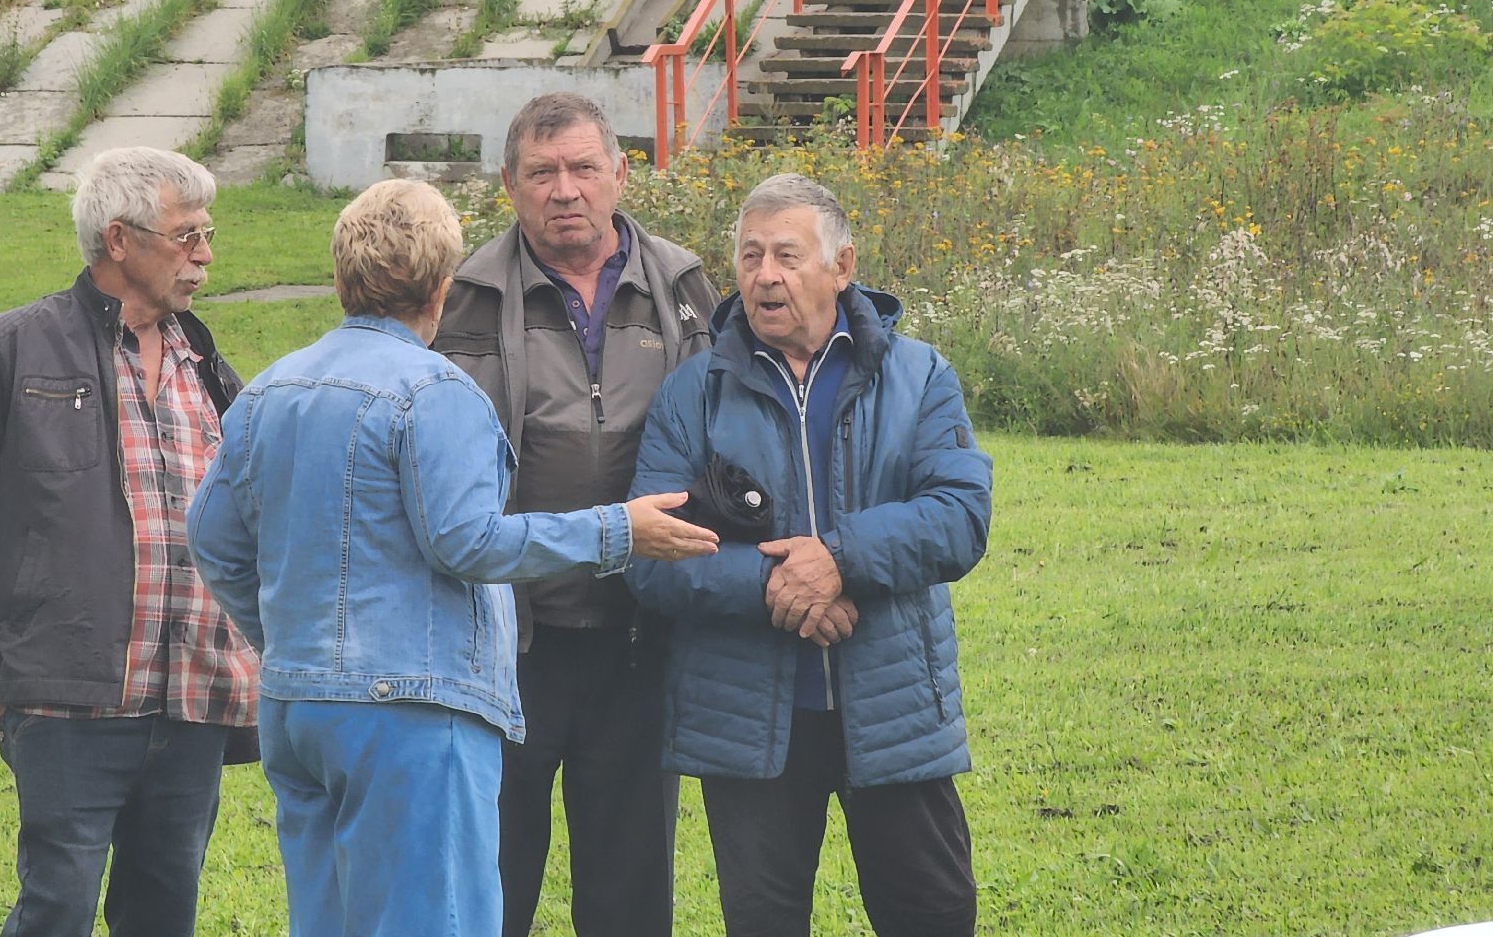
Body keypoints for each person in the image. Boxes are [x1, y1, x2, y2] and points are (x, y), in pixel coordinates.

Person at [184, 178, 718, 937]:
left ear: (340, 277)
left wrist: (284, 637)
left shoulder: (268, 389)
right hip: (412, 710)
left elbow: (211, 537)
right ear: (444, 284)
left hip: (297, 707)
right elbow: (467, 541)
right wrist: (617, 530)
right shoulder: (438, 391)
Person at [626, 172, 994, 937]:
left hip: (893, 711)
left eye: (788, 256)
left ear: (843, 266)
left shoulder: (919, 376)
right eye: (751, 256)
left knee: (933, 914)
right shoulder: (692, 395)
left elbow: (960, 515)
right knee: (763, 922)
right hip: (753, 721)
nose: (765, 276)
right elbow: (650, 557)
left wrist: (839, 559)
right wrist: (776, 585)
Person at [0, 147, 260, 937]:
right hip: (63, 703)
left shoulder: (208, 365)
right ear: (118, 240)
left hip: (191, 703)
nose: (204, 254)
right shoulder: (6, 352)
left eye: (208, 234)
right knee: (56, 911)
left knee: (164, 916)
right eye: (187, 235)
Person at [434, 92, 721, 937]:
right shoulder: (466, 298)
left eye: (584, 169)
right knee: (492, 882)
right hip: (504, 639)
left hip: (640, 636)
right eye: (543, 172)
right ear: (508, 186)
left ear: (621, 175)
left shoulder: (683, 285)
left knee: (630, 890)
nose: (566, 190)